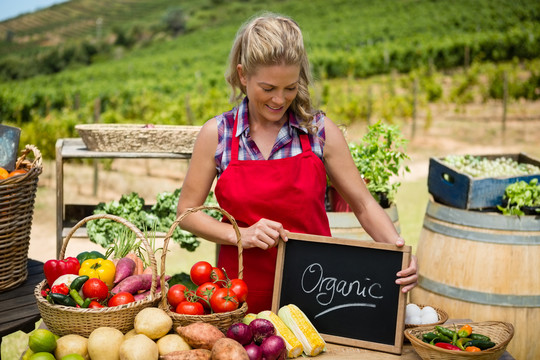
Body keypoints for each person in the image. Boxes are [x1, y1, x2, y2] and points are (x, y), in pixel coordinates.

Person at [177, 12, 418, 313]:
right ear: (243, 75)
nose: (279, 99)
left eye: (290, 88)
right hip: (236, 299)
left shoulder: (319, 131)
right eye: (268, 89)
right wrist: (241, 234)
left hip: (316, 296)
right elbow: (187, 212)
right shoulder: (218, 134)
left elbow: (364, 205)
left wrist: (399, 251)